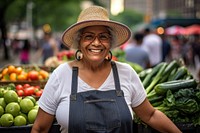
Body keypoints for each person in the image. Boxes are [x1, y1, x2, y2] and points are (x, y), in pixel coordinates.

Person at [31, 6, 182, 133]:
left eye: (103, 37)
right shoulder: (61, 75)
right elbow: (39, 128)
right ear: (79, 42)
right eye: (89, 37)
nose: (96, 43)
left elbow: (150, 115)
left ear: (110, 42)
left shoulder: (126, 73)